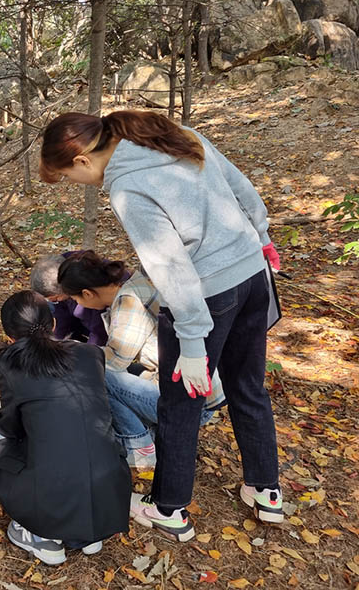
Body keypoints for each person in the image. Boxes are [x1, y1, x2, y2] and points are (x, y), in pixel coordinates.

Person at [40, 110, 283, 542]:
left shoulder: (129, 187)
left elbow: (170, 267)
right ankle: (265, 490)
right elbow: (239, 186)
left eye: (68, 178)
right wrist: (261, 236)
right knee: (249, 386)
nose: (78, 186)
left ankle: (169, 508)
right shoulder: (174, 135)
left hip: (207, 295)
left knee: (180, 404)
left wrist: (192, 344)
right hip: (252, 275)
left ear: (81, 161)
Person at [0, 290, 130, 565]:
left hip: (52, 492)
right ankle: (88, 534)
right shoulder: (91, 354)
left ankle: (41, 537)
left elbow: (10, 427)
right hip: (110, 489)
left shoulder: (9, 363)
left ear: (9, 336)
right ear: (52, 324)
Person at [57, 250, 225, 469]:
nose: (77, 303)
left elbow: (115, 362)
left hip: (190, 403)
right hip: (200, 389)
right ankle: (150, 436)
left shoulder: (128, 301)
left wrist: (73, 350)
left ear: (87, 293)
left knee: (95, 372)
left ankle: (138, 445)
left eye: (75, 298)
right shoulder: (135, 279)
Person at [29, 253, 108, 344]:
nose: (54, 301)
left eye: (55, 299)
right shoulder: (59, 267)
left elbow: (99, 331)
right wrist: (56, 343)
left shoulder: (92, 289)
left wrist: (90, 352)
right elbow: (61, 316)